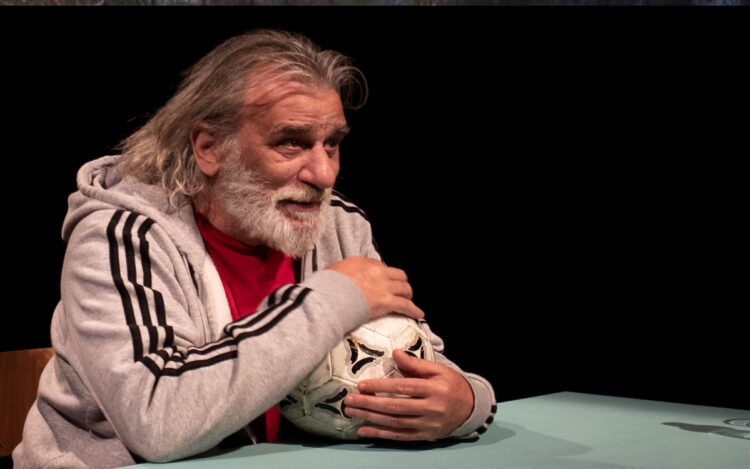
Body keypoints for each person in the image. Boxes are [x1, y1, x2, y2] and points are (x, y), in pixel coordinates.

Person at [13, 29, 496, 468]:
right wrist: (331, 300)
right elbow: (157, 422)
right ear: (209, 147)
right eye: (292, 143)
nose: (324, 173)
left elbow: (418, 356)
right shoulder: (120, 236)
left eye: (332, 144)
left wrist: (466, 402)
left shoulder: (339, 226)